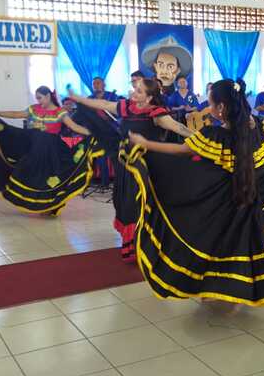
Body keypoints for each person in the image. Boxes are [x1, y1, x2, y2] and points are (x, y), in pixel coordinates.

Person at [123, 79, 264, 308]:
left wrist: (146, 144)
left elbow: (181, 150)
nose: (208, 108)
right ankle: (232, 290)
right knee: (242, 246)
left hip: (222, 204)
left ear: (221, 108)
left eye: (210, 104)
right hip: (249, 202)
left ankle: (220, 288)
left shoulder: (215, 135)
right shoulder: (254, 129)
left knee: (216, 244)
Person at [70, 78, 193, 261]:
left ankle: (145, 244)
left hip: (146, 167)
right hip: (126, 164)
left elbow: (178, 127)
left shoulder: (156, 113)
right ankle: (133, 243)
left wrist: (199, 137)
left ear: (149, 98)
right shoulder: (127, 107)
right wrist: (80, 99)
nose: (134, 93)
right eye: (135, 89)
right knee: (124, 202)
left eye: (139, 91)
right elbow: (103, 104)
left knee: (138, 203)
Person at [0, 86, 101, 214]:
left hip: (50, 151)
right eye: (37, 98)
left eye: (40, 98)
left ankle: (47, 206)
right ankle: (30, 203)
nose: (38, 101)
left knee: (47, 179)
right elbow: (17, 114)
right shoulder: (34, 109)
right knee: (25, 173)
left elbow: (74, 127)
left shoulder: (59, 112)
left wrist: (93, 133)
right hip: (34, 149)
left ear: (48, 96)